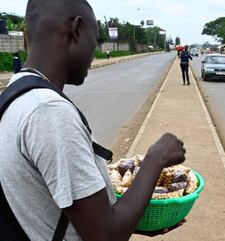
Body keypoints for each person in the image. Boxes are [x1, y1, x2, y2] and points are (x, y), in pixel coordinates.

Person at [0, 1, 186, 240]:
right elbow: (104, 236)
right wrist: (155, 159)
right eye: (95, 39)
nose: (94, 50)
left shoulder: (15, 93)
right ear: (76, 30)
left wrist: (132, 217)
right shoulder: (49, 112)